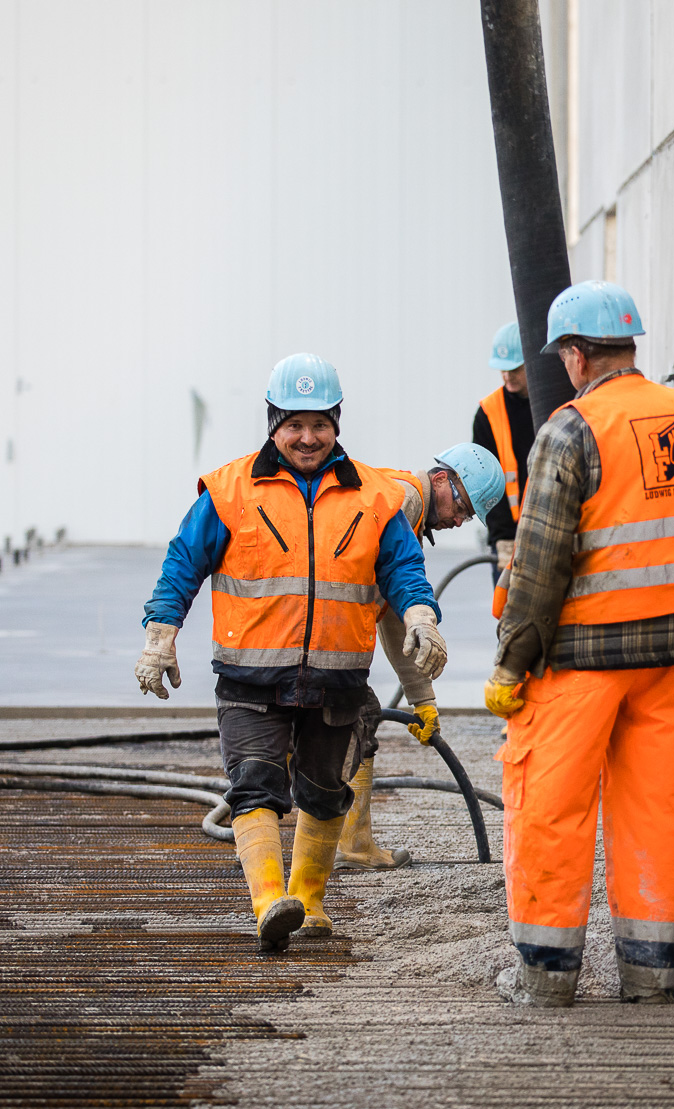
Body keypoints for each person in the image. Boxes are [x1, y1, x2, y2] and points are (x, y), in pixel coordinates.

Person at [135, 353, 451, 952]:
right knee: (254, 787)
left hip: (336, 679)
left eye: (320, 424)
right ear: (273, 422)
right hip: (250, 678)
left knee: (327, 791)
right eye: (294, 425)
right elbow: (183, 562)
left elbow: (403, 568)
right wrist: (160, 633)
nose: (307, 438)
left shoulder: (375, 497)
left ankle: (306, 903)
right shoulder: (229, 490)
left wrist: (420, 613)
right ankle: (266, 905)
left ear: (337, 423)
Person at [483, 281, 674, 1006]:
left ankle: (546, 978)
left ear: (575, 353)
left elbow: (539, 564)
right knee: (663, 809)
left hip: (583, 660)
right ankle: (653, 974)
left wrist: (511, 661)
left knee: (550, 807)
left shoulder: (569, 429)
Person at [337, 442, 506, 870]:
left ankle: (342, 843)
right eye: (462, 507)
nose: (459, 520)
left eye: (467, 516)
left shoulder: (405, 512)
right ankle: (348, 849)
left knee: (349, 724)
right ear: (439, 480)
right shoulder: (403, 498)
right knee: (353, 726)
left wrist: (422, 699)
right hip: (324, 634)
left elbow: (395, 619)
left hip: (325, 635)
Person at [475, 321, 533, 580]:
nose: (507, 376)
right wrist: (502, 538)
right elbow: (483, 482)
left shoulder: (555, 402)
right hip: (507, 538)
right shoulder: (489, 413)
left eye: (515, 369)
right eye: (502, 369)